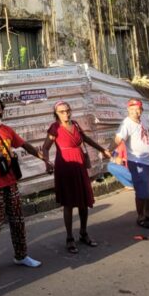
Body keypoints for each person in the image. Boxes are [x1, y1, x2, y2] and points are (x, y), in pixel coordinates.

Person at [0, 97, 51, 282]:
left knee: (18, 222)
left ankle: (21, 256)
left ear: (2, 110)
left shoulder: (7, 130)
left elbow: (26, 146)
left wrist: (44, 159)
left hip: (11, 183)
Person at [40, 101, 108, 251]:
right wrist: (47, 163)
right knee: (69, 203)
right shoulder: (55, 127)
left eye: (67, 110)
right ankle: (69, 238)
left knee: (84, 201)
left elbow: (86, 140)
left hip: (79, 164)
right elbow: (45, 147)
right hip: (65, 166)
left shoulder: (76, 124)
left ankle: (83, 233)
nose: (65, 113)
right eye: (61, 111)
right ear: (56, 114)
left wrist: (102, 150)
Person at [113, 99, 149, 230]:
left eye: (138, 109)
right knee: (142, 192)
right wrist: (110, 150)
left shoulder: (144, 120)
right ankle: (140, 217)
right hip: (138, 162)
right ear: (128, 110)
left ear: (141, 110)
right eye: (133, 109)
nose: (136, 112)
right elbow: (119, 138)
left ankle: (148, 213)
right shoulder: (127, 124)